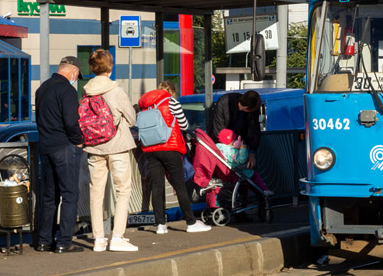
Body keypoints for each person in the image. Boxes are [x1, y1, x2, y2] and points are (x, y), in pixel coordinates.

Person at [82, 49, 139, 252]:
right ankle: (117, 237)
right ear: (110, 66)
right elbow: (132, 119)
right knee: (122, 191)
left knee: (96, 193)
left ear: (92, 67)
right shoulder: (116, 90)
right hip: (117, 147)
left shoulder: (86, 90)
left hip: (94, 147)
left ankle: (98, 239)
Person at [137, 81, 210, 236]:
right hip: (170, 147)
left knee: (157, 186)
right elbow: (184, 125)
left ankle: (160, 225)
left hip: (150, 148)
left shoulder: (146, 104)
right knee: (180, 185)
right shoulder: (171, 102)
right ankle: (191, 222)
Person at [33, 56, 84, 253]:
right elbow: (71, 122)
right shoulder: (68, 90)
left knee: (49, 196)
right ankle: (64, 241)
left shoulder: (42, 88)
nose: (76, 79)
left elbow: (39, 119)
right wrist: (78, 140)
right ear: (73, 72)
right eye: (77, 75)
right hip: (64, 147)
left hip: (45, 147)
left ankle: (44, 241)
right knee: (70, 194)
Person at [208, 90, 263, 168]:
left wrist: (252, 153)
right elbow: (219, 132)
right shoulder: (224, 103)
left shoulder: (251, 110)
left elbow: (254, 129)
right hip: (225, 149)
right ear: (248, 109)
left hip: (239, 148)